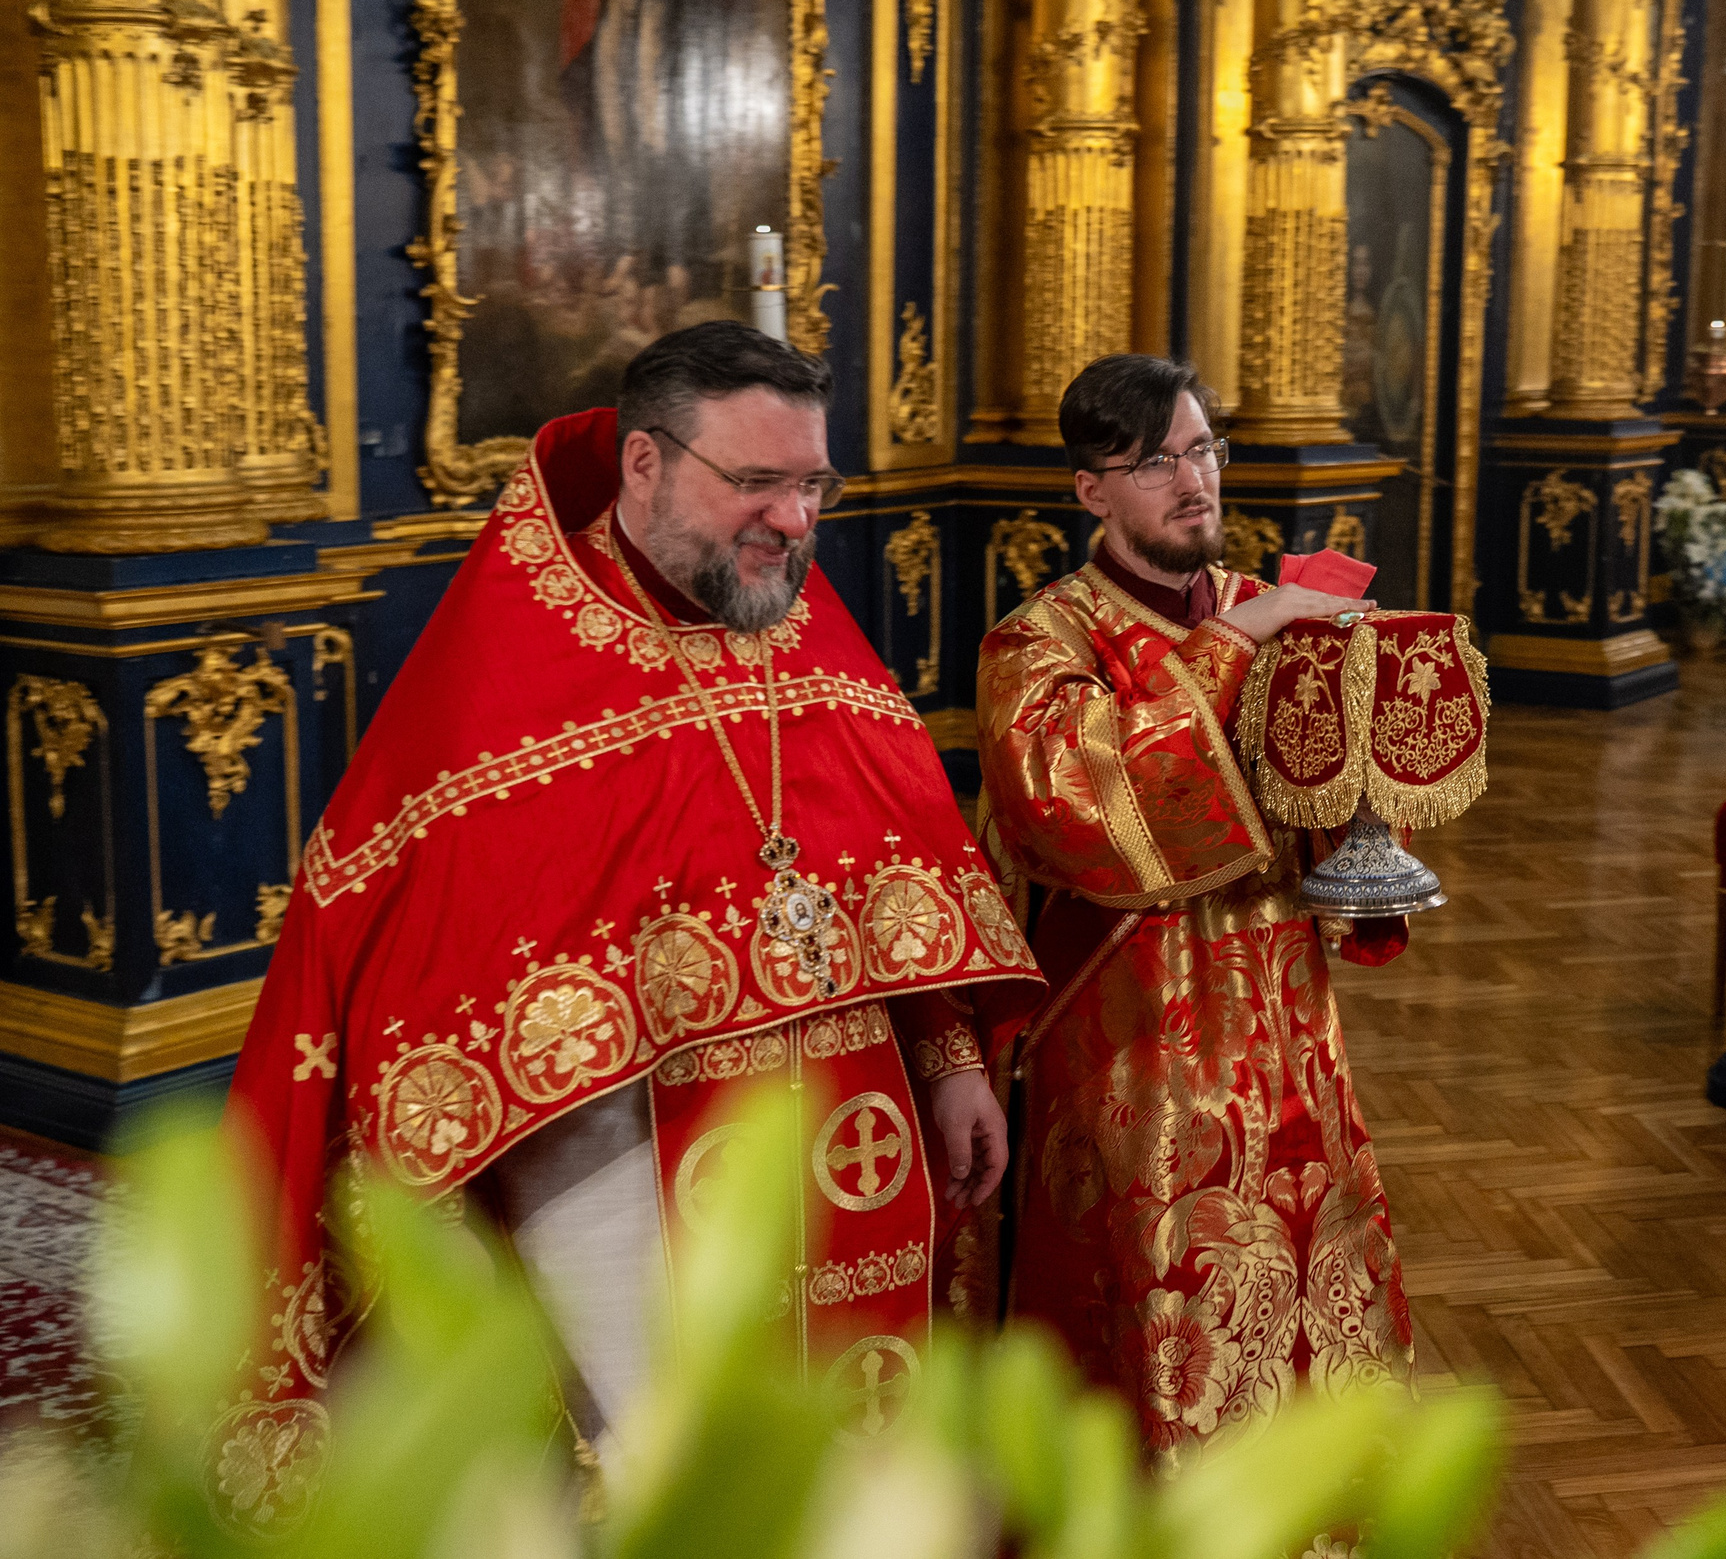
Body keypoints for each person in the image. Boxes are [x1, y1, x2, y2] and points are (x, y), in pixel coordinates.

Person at [219, 322, 1036, 1517]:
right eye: (755, 482)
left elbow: (893, 865)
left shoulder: (787, 612)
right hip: (614, 1155)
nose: (796, 523)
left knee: (865, 1454)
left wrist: (951, 1055)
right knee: (676, 1479)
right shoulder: (508, 658)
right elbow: (423, 971)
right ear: (643, 464)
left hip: (852, 1126)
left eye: (813, 484)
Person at [972, 353, 1415, 1464]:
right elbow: (1084, 808)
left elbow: (1321, 791)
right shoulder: (1040, 642)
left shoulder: (1262, 610)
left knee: (1314, 1276)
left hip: (1285, 1026)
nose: (1194, 482)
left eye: (1205, 451)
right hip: (1132, 1045)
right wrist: (1241, 644)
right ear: (1091, 489)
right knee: (1161, 1301)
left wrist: (1362, 773)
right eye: (1158, 461)